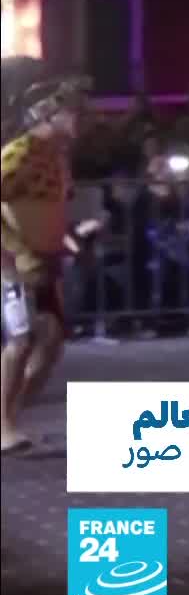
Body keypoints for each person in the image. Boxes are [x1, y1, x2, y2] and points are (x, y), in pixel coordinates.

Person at [1, 70, 88, 454]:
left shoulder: (58, 157)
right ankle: (1, 424)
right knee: (22, 339)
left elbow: (53, 205)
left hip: (45, 259)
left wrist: (66, 235)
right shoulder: (18, 153)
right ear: (44, 113)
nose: (80, 118)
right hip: (12, 259)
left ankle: (10, 415)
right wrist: (17, 251)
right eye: (72, 111)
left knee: (51, 341)